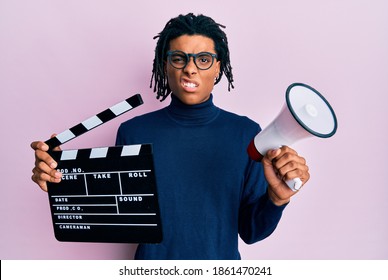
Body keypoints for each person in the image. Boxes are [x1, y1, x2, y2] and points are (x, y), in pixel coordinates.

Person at [31, 13, 310, 260]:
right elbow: (121, 218)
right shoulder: (134, 132)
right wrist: (63, 182)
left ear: (218, 68)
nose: (190, 69)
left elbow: (251, 232)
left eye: (203, 59)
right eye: (179, 58)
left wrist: (277, 200)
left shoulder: (247, 134)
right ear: (165, 66)